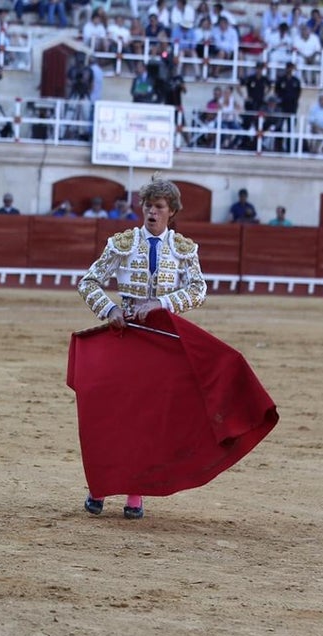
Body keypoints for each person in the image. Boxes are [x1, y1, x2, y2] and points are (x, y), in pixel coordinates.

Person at [76, 176, 207, 520]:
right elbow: (87, 281)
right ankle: (99, 487)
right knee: (112, 415)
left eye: (159, 206)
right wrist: (110, 309)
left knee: (147, 420)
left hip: (160, 343)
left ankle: (135, 494)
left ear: (171, 212)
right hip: (125, 337)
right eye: (148, 205)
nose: (151, 211)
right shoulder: (122, 243)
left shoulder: (183, 249)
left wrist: (162, 303)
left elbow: (199, 291)